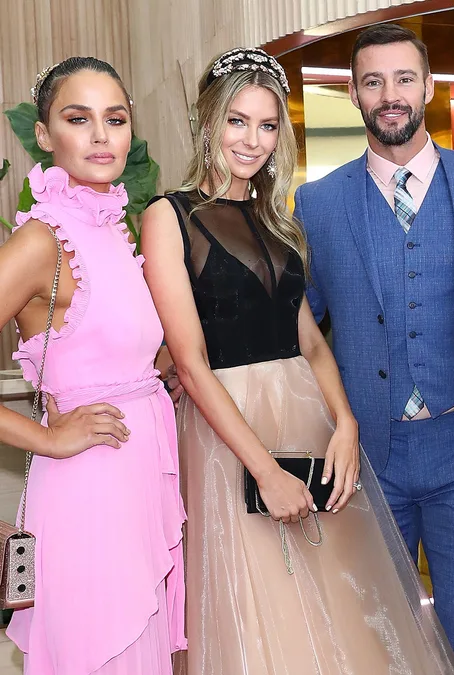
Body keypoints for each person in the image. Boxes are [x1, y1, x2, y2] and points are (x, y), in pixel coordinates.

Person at [141, 47, 454, 674]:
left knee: (344, 614)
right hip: (230, 437)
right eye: (237, 121)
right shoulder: (166, 217)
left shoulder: (274, 220)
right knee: (264, 620)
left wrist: (346, 424)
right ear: (207, 121)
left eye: (267, 126)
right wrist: (265, 470)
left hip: (308, 424)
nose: (252, 141)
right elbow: (191, 362)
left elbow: (311, 341)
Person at [294, 23, 454, 675]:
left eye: (402, 78)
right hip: (368, 458)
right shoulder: (315, 203)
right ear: (354, 94)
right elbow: (299, 325)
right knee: (382, 643)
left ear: (427, 85)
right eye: (373, 81)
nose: (389, 94)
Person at [0, 57, 186, 673]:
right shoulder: (39, 240)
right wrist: (49, 438)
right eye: (78, 119)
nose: (101, 135)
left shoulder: (115, 229)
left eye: (116, 118)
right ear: (45, 136)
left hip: (140, 478)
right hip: (85, 489)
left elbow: (112, 347)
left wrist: (158, 371)